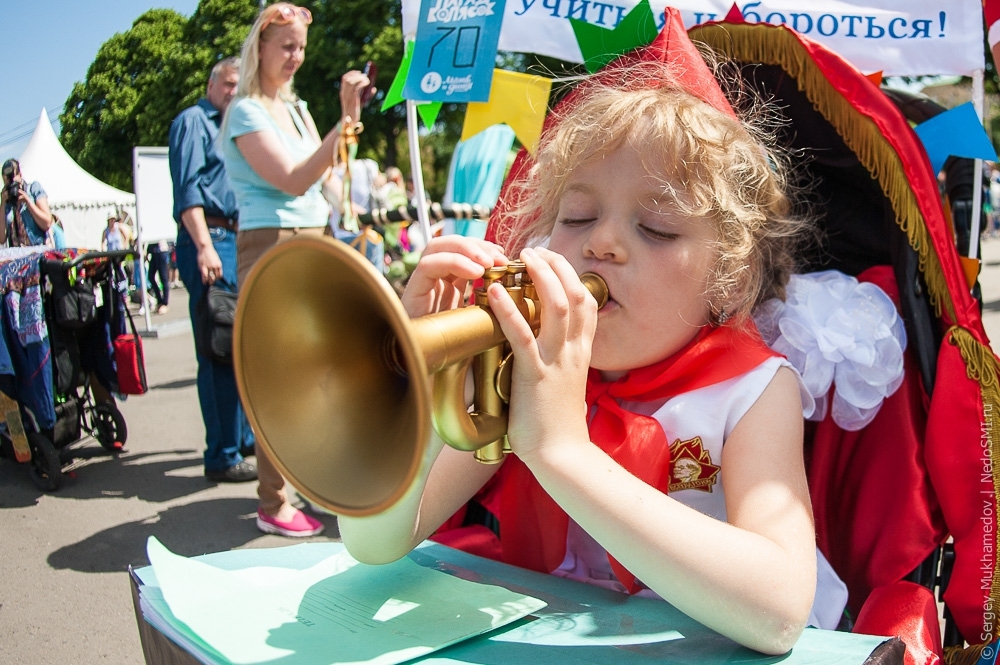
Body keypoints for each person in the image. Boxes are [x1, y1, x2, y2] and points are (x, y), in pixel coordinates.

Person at [337, 14, 835, 655]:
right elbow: (374, 543)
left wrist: (563, 451)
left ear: (729, 281)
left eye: (656, 228)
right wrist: (418, 390)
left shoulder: (755, 389)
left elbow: (780, 610)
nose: (601, 242)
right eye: (576, 217)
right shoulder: (526, 370)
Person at [220, 2, 370, 537]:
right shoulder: (245, 112)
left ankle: (315, 482)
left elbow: (325, 180)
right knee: (280, 375)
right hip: (270, 244)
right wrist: (345, 121)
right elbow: (291, 179)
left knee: (322, 370)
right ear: (258, 46)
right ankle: (272, 501)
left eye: (301, 47)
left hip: (313, 239)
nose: (295, 56)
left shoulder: (298, 109)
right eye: (286, 45)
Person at [168, 56, 257, 485]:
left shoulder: (234, 128)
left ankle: (239, 441)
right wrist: (204, 246)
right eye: (228, 84)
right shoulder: (193, 122)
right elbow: (188, 191)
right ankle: (221, 455)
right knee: (219, 350)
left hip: (234, 241)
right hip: (211, 240)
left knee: (238, 348)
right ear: (211, 84)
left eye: (241, 86)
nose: (234, 92)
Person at [0, 159, 52, 247]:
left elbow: (47, 224)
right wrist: (3, 203)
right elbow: (1, 239)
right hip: (18, 256)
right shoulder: (7, 203)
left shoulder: (33, 189)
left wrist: (28, 202)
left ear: (20, 174)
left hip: (38, 252)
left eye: (13, 181)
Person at [146, 240, 171, 314]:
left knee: (163, 278)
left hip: (161, 250)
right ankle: (160, 300)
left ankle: (165, 303)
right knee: (151, 276)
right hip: (153, 251)